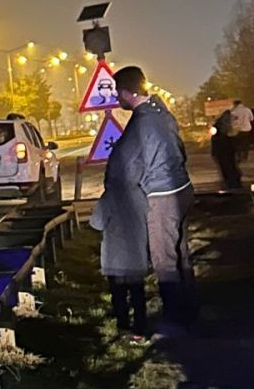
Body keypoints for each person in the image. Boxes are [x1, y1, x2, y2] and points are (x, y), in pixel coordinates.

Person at [111, 66, 197, 333]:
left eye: (118, 93)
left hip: (161, 196)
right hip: (182, 188)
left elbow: (128, 166)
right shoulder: (162, 113)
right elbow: (179, 149)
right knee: (181, 253)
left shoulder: (140, 123)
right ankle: (191, 309)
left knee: (164, 259)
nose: (117, 99)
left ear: (127, 91)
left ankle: (174, 320)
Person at [90, 142, 150, 342]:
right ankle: (140, 329)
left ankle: (123, 325)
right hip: (136, 256)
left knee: (119, 295)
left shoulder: (108, 197)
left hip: (114, 258)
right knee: (138, 295)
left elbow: (96, 223)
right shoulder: (140, 194)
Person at [211, 106, 243, 191]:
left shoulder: (218, 130)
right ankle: (233, 186)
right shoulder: (223, 132)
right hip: (225, 151)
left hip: (223, 151)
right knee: (229, 169)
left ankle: (231, 185)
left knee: (227, 169)